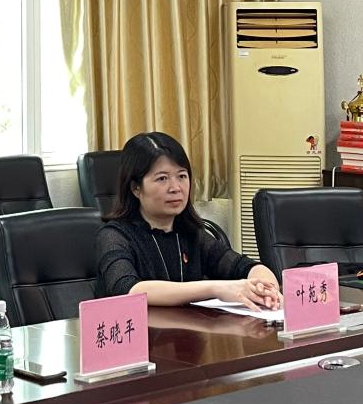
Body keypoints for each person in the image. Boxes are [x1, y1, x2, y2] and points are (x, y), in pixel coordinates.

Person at [94, 131, 282, 309]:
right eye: (162, 179)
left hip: (186, 331)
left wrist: (266, 289)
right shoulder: (114, 236)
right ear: (136, 188)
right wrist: (215, 288)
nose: (176, 187)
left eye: (182, 176)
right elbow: (129, 290)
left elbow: (244, 267)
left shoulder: (191, 234)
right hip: (138, 332)